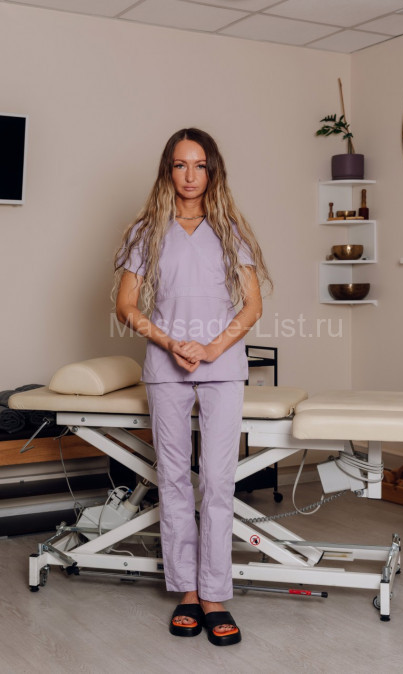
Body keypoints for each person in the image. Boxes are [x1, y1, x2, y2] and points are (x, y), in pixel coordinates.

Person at [113, 128, 271, 646]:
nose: (189, 175)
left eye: (199, 165)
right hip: (166, 365)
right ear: (168, 170)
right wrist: (170, 341)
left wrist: (212, 348)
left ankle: (215, 595)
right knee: (175, 479)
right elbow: (126, 306)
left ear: (212, 171)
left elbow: (252, 306)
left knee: (219, 482)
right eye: (180, 165)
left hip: (222, 366)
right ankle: (186, 590)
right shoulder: (146, 232)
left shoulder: (230, 231)